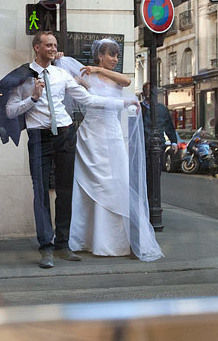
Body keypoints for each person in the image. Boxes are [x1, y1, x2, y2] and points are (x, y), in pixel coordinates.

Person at [4, 31, 133, 269]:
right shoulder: (23, 76)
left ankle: (63, 245)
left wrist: (123, 102)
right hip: (38, 138)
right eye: (48, 45)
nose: (53, 49)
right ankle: (46, 247)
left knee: (66, 191)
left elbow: (88, 100)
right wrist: (32, 99)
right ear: (37, 48)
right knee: (41, 192)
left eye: (55, 45)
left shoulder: (62, 74)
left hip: (63, 136)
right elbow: (10, 111)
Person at [58, 39, 162, 260]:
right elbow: (70, 83)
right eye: (111, 55)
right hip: (90, 135)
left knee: (116, 183)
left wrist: (98, 69)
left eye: (116, 55)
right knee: (89, 185)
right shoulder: (86, 77)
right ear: (100, 55)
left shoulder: (116, 79)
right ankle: (85, 239)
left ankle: (117, 241)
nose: (115, 59)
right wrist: (60, 61)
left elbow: (126, 81)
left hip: (112, 134)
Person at [140, 82, 180, 155]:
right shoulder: (139, 108)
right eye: (146, 90)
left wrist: (173, 142)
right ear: (143, 92)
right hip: (143, 146)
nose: (148, 93)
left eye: (150, 90)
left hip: (159, 145)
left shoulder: (162, 109)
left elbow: (169, 127)